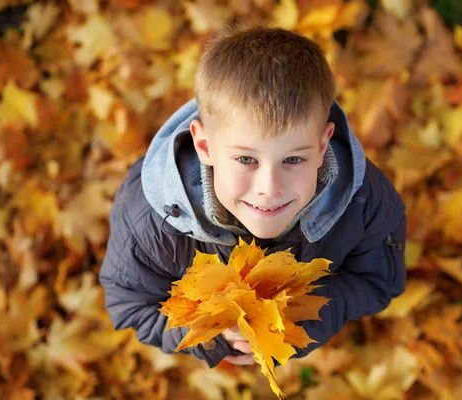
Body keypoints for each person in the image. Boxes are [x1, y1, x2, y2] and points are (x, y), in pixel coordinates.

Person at [99, 24, 406, 368]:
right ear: (204, 146)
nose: (269, 187)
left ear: (322, 146)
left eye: (293, 159)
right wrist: (213, 338)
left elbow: (378, 284)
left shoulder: (365, 201)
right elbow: (131, 305)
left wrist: (300, 320)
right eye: (247, 159)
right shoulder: (151, 223)